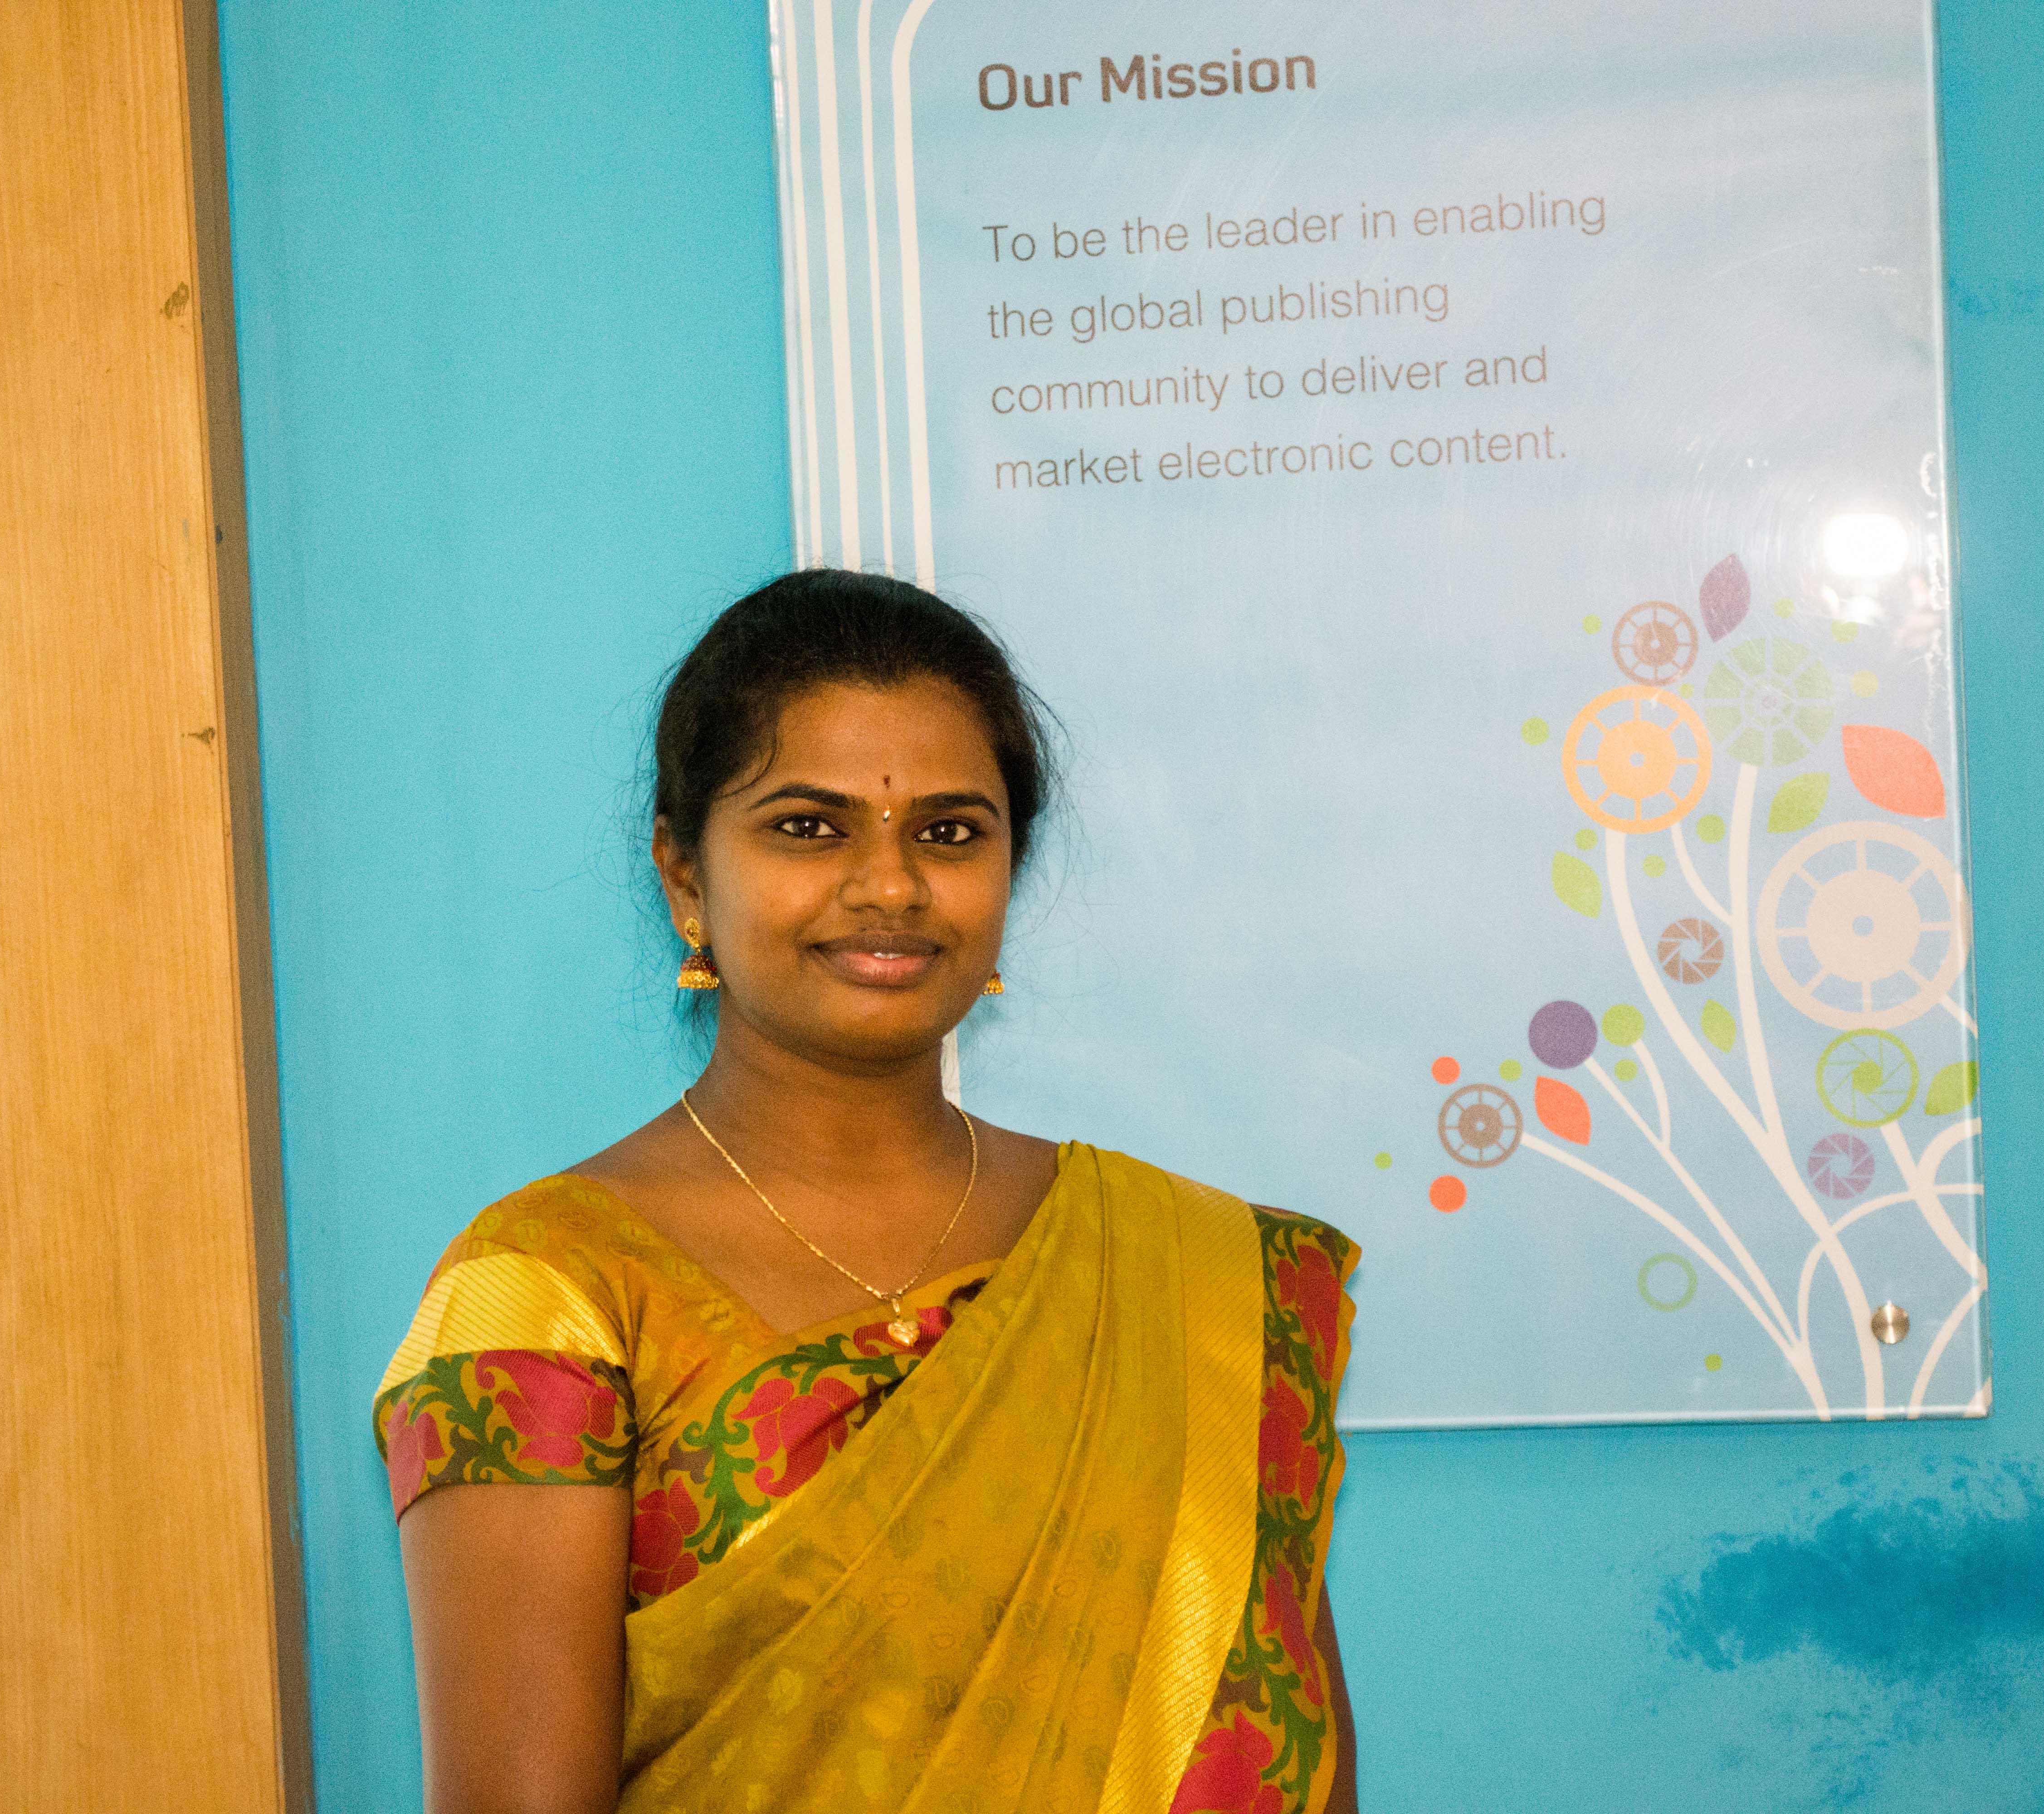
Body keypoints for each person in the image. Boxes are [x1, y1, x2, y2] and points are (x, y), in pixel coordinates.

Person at [376, 569, 1361, 1813]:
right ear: (685, 879)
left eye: (950, 833)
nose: (890, 887)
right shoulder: (553, 1289)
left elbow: (1281, 1746)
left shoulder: (1199, 1280)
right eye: (809, 827)